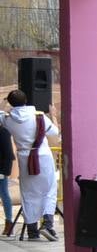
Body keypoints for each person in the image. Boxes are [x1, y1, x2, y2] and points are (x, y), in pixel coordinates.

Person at [2, 89, 60, 241]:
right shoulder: (39, 116)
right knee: (49, 189)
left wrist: (4, 107)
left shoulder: (8, 119)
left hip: (23, 156)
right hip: (43, 155)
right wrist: (53, 115)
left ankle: (32, 231)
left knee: (28, 194)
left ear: (10, 103)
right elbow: (54, 132)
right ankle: (47, 224)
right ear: (26, 100)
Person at [0, 119, 14, 236]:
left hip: (1, 169)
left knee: (4, 194)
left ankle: (9, 223)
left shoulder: (3, 132)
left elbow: (9, 153)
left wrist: (5, 171)